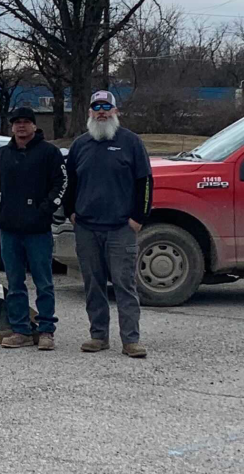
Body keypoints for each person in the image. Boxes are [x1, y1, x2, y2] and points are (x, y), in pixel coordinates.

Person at [64, 90, 153, 358]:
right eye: (96, 107)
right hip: (87, 228)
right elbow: (70, 183)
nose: (101, 112)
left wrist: (138, 218)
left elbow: (145, 183)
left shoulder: (131, 143)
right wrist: (71, 211)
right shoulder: (80, 145)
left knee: (125, 285)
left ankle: (131, 340)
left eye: (106, 107)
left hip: (120, 229)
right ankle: (98, 336)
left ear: (115, 111)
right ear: (90, 112)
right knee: (93, 284)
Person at [0, 107, 67, 351]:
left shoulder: (49, 153)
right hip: (10, 230)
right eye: (17, 122)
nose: (21, 126)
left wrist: (45, 209)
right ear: (12, 127)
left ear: (34, 125)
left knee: (44, 282)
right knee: (15, 282)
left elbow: (61, 184)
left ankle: (46, 331)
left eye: (26, 122)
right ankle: (20, 329)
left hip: (39, 230)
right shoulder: (2, 155)